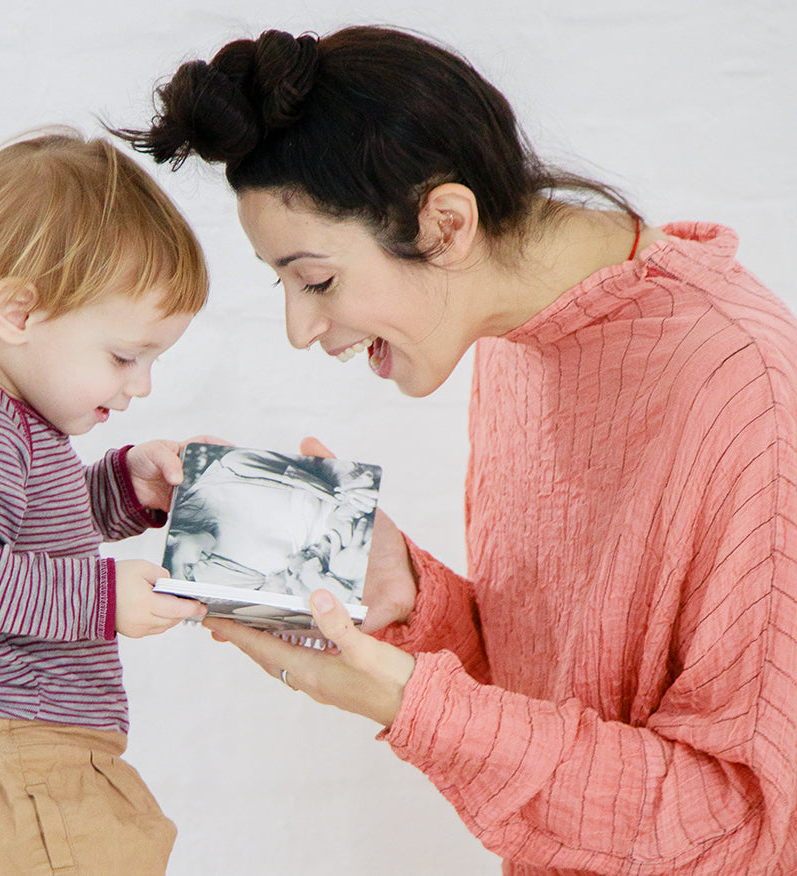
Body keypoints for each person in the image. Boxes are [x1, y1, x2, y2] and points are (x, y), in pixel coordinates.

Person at [116, 25, 797, 874]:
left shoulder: (743, 383)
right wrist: (410, 592)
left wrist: (420, 708)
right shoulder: (518, 340)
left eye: (316, 279)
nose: (301, 328)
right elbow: (557, 687)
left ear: (445, 223)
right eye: (284, 284)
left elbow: (743, 826)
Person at [0, 130, 209, 875]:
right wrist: (101, 598)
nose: (140, 385)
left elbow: (25, 530)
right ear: (20, 314)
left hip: (21, 761)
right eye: (125, 356)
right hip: (19, 761)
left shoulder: (5, 416)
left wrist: (127, 488)